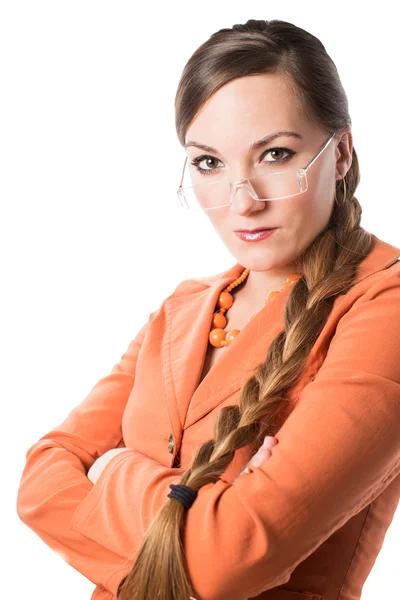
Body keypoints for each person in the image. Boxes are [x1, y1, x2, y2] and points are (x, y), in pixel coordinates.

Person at [17, 18, 400, 600]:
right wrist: (201, 515)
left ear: (341, 152)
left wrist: (108, 473)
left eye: (275, 154)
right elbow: (40, 481)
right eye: (208, 163)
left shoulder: (384, 304)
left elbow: (227, 561)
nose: (243, 201)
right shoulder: (184, 306)